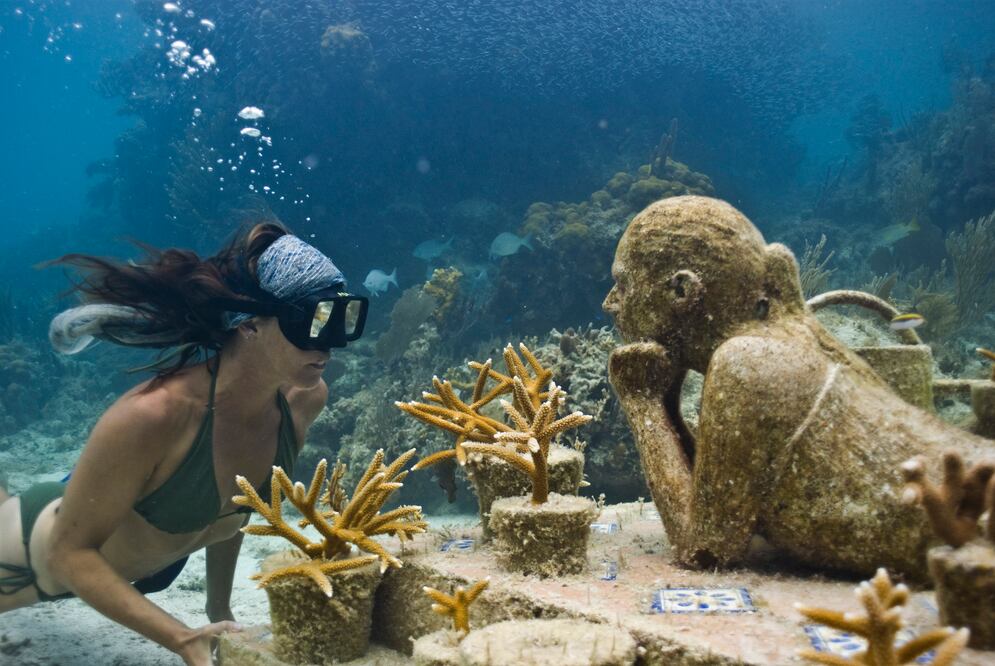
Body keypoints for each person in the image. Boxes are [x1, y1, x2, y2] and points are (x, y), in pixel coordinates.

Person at [0, 222, 368, 665]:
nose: (330, 344)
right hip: (27, 562)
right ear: (249, 324)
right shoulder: (154, 415)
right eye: (312, 321)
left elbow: (236, 506)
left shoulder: (303, 400)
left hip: (128, 541)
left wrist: (219, 609)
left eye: (340, 319)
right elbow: (66, 553)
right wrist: (180, 637)